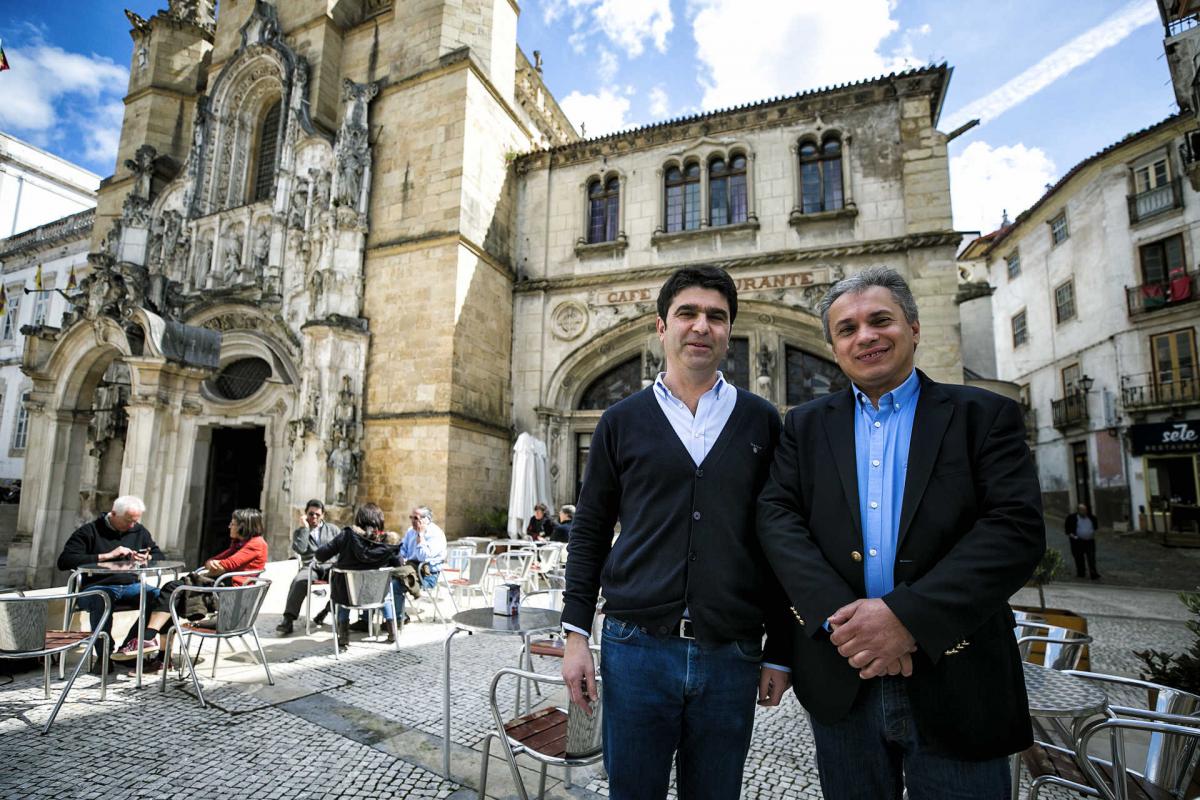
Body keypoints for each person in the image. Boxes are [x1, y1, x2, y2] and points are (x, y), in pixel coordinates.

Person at [757, 266, 1045, 799]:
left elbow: (1015, 531)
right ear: (834, 347)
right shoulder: (804, 426)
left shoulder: (984, 416)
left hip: (958, 677)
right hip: (842, 675)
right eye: (847, 329)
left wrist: (906, 618)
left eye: (880, 320)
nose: (865, 336)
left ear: (913, 328)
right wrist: (846, 621)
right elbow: (777, 519)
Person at [561, 265, 792, 800]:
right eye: (687, 313)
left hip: (731, 653)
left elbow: (781, 539)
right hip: (635, 648)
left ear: (729, 331)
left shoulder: (761, 421)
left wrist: (780, 648)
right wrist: (575, 635)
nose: (701, 326)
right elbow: (590, 531)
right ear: (662, 326)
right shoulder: (621, 420)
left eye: (716, 316)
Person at [130, 508, 268, 666]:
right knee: (171, 596)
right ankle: (160, 654)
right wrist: (214, 564)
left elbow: (226, 565)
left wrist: (217, 565)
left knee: (171, 592)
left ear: (244, 526)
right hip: (220, 589)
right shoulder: (239, 544)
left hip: (227, 596)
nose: (229, 526)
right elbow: (212, 561)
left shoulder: (256, 544)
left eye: (233, 523)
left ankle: (152, 643)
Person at [57, 496, 164, 663]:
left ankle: (129, 649)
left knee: (161, 596)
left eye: (135, 521)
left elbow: (159, 556)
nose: (132, 526)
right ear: (114, 514)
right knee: (102, 598)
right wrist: (107, 556)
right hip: (96, 586)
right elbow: (65, 561)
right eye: (128, 521)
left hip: (130, 585)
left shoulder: (139, 531)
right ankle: (104, 656)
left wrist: (146, 557)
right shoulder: (89, 531)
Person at [315, 503, 402, 648]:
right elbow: (399, 563)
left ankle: (343, 635)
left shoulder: (347, 535)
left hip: (349, 596)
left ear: (359, 519)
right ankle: (392, 630)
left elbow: (320, 555)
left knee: (343, 587)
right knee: (384, 591)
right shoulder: (387, 542)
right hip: (376, 596)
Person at [276, 499, 340, 636]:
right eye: (311, 514)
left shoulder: (333, 530)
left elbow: (342, 548)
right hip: (311, 567)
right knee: (299, 581)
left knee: (344, 581)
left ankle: (326, 611)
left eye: (318, 514)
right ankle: (288, 619)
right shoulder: (300, 532)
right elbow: (300, 549)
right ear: (305, 514)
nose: (314, 517)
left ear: (323, 515)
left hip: (331, 566)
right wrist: (304, 529)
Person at [385, 505, 447, 628]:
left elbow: (423, 557)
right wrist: (400, 557)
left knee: (395, 586)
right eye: (411, 517)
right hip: (410, 569)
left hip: (427, 575)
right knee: (384, 580)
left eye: (416, 518)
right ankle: (391, 617)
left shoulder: (436, 534)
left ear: (426, 519)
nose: (413, 521)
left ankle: (398, 620)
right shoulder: (410, 531)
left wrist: (421, 535)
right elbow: (403, 550)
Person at [1066, 502, 1101, 580]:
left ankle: (1093, 573)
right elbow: (1068, 530)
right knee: (1079, 557)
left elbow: (1095, 527)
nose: (1084, 511)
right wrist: (1074, 537)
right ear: (1078, 510)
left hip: (1089, 541)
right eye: (1082, 510)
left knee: (1091, 557)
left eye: (1085, 510)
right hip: (1078, 541)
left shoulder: (1091, 518)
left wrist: (1093, 534)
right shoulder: (1072, 518)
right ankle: (1081, 572)